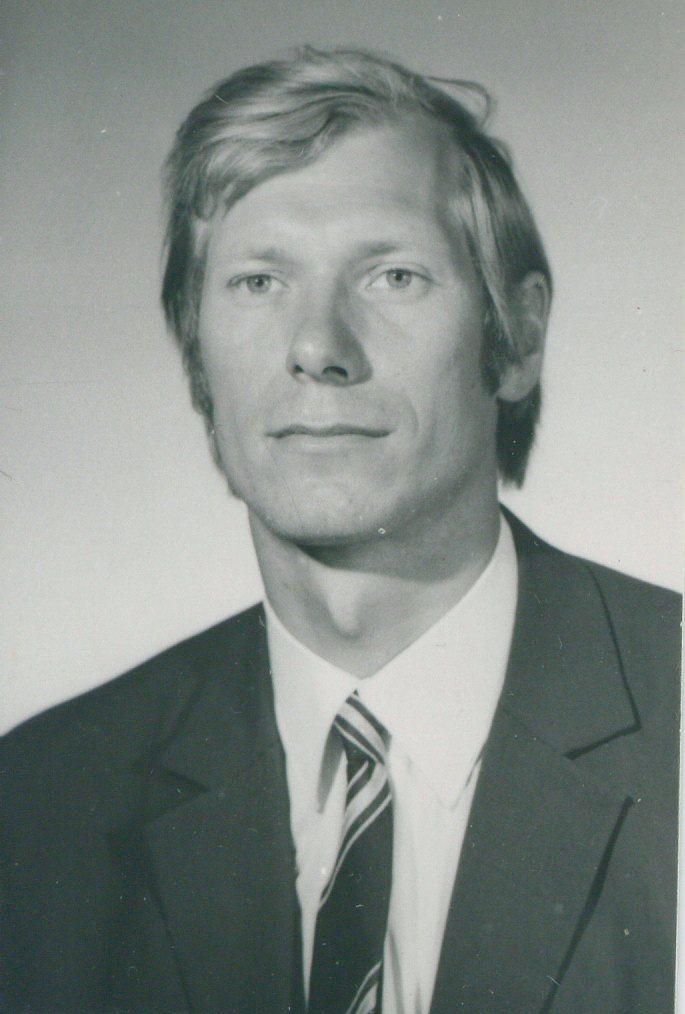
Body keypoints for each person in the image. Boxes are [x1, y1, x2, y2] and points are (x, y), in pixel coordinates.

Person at [1, 47, 679, 1013]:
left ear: (517, 339)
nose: (317, 347)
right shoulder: (38, 800)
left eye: (393, 276)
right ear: (195, 351)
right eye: (257, 282)